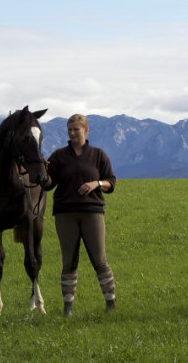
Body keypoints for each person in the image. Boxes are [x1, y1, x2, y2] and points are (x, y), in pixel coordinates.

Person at [45, 114, 117, 317]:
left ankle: (111, 304)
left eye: (76, 129)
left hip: (92, 212)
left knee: (100, 260)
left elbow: (111, 181)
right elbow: (49, 184)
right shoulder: (58, 156)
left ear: (86, 130)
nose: (72, 133)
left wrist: (97, 184)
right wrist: (42, 174)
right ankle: (68, 308)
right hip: (65, 214)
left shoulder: (98, 155)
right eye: (69, 129)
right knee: (69, 261)